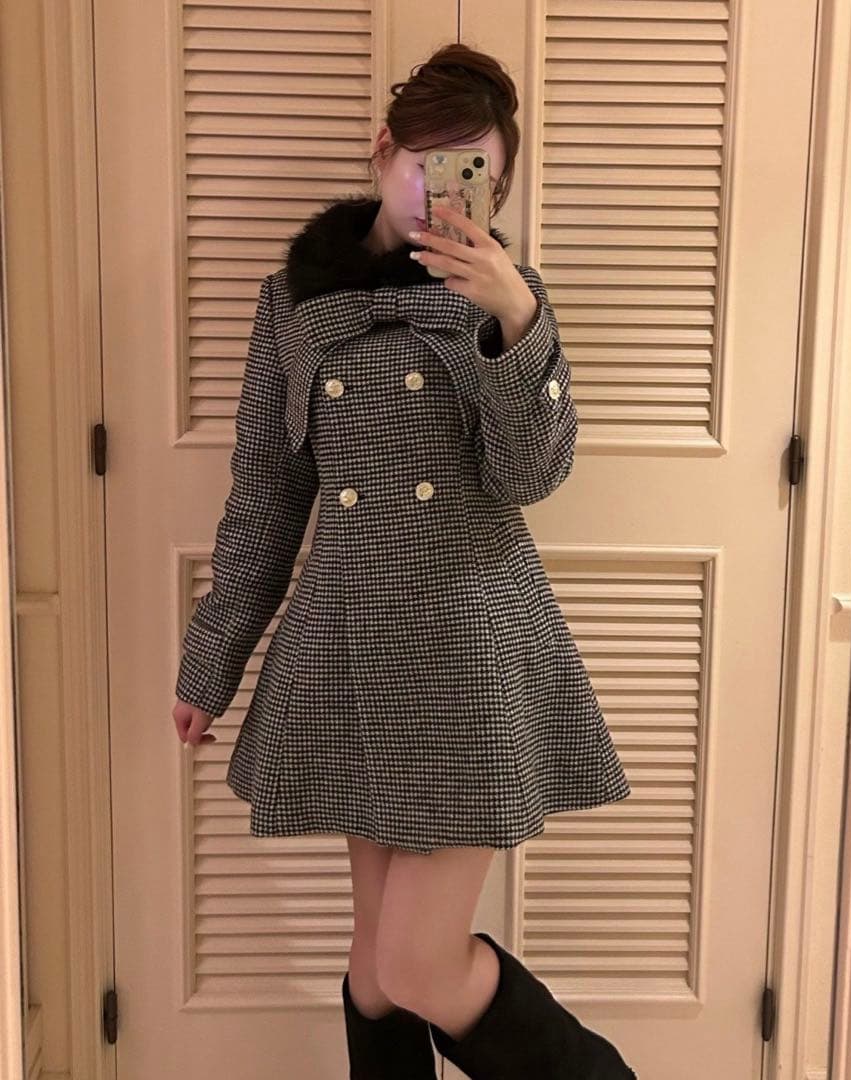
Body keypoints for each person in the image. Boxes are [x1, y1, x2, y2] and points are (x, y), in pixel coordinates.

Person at [172, 41, 636, 1080]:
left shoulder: (505, 301)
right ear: (383, 149)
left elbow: (532, 473)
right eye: (432, 161)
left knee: (420, 963)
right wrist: (211, 663)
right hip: (351, 649)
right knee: (378, 972)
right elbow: (267, 493)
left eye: (478, 176)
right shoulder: (293, 304)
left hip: (466, 651)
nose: (447, 191)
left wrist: (514, 318)